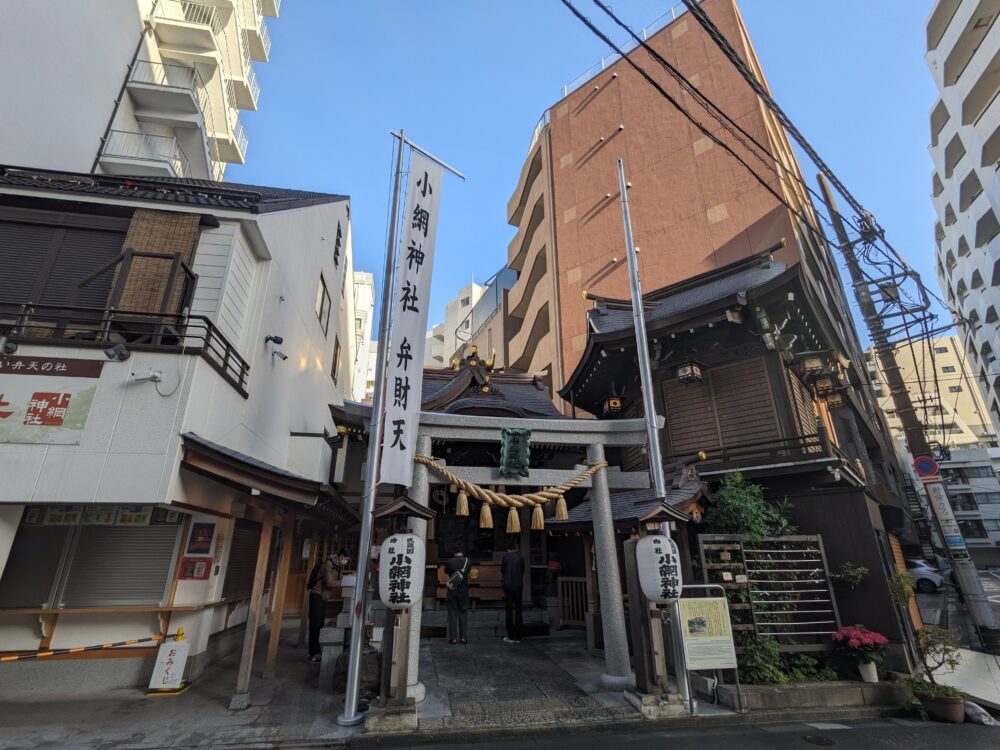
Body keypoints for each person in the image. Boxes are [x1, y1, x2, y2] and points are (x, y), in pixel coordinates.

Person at [307, 550, 340, 663]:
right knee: (315, 625)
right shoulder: (328, 564)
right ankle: (314, 653)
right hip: (317, 595)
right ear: (340, 556)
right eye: (346, 558)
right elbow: (329, 582)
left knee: (320, 624)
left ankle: (316, 651)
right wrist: (344, 582)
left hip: (323, 597)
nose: (346, 561)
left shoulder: (336, 565)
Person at [444, 548, 471, 644]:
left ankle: (453, 638)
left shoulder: (449, 562)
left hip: (452, 590)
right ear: (462, 552)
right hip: (463, 590)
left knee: (452, 613)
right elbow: (468, 572)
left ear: (453, 552)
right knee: (463, 613)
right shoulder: (468, 561)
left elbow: (446, 572)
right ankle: (463, 638)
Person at [501, 542, 525, 643]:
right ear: (516, 549)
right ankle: (519, 635)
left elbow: (502, 570)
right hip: (518, 585)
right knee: (519, 609)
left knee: (509, 610)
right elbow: (522, 571)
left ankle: (511, 635)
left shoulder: (506, 557)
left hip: (508, 586)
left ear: (508, 550)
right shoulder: (521, 558)